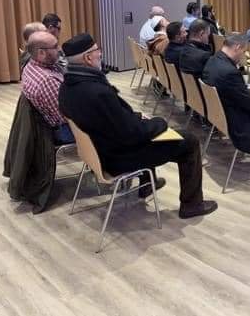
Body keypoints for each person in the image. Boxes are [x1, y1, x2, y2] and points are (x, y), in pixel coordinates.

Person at [58, 33, 217, 218]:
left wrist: (138, 119)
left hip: (101, 150)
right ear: (87, 58)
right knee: (189, 141)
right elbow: (132, 134)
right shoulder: (97, 92)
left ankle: (146, 185)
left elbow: (114, 121)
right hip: (118, 156)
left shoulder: (67, 87)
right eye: (97, 50)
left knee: (144, 123)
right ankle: (192, 205)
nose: (100, 53)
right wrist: (159, 123)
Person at [21, 31, 73, 144]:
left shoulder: (30, 65)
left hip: (55, 124)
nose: (59, 49)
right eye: (55, 47)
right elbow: (68, 116)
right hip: (65, 130)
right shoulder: (48, 81)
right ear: (41, 53)